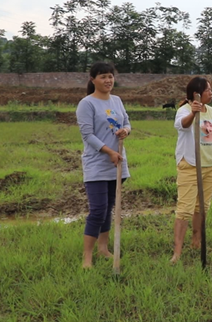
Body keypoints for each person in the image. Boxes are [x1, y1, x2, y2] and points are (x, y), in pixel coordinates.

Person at [76, 62, 131, 269]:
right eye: (103, 77)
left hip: (117, 163)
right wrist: (108, 151)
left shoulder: (117, 100)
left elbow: (126, 122)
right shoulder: (87, 104)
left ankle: (103, 248)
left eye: (110, 76)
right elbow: (87, 135)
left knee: (108, 208)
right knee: (98, 210)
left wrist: (126, 131)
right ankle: (87, 257)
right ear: (93, 80)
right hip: (97, 164)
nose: (108, 80)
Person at [170, 77, 212, 264]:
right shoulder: (184, 110)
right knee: (185, 209)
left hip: (211, 165)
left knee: (201, 207)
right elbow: (183, 125)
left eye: (211, 90)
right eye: (208, 90)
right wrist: (193, 114)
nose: (211, 93)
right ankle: (177, 252)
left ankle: (196, 240)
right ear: (196, 93)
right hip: (191, 164)